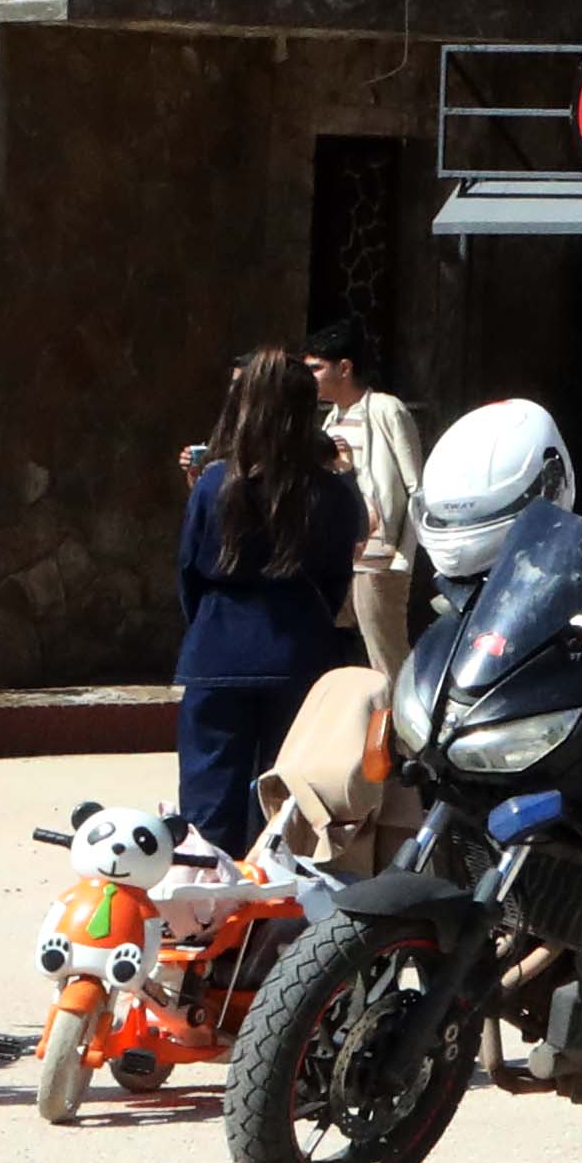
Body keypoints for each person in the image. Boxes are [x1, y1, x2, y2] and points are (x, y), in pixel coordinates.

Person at [174, 350, 362, 854]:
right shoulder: (330, 491)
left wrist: (207, 628)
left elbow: (188, 570)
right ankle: (272, 913)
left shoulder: (214, 483)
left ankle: (204, 907)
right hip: (299, 646)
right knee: (284, 795)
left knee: (207, 797)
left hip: (217, 645)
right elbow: (335, 578)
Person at [307, 331, 424, 676]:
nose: (310, 377)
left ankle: (401, 729)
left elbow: (416, 487)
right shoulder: (330, 420)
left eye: (317, 368)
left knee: (385, 655)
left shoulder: (386, 410)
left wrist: (403, 556)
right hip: (340, 557)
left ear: (344, 368)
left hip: (378, 559)